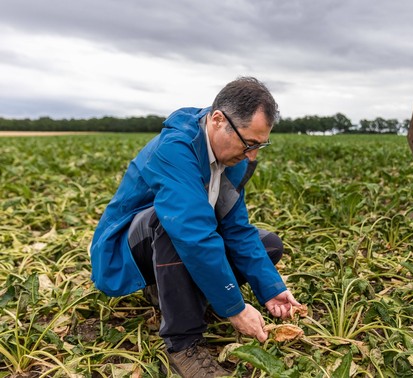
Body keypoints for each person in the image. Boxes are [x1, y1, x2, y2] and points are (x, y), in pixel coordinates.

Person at [90, 77, 301, 377]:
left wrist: (271, 289)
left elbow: (237, 229)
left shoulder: (233, 159)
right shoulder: (176, 149)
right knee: (174, 227)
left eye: (260, 145)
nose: (252, 155)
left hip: (184, 237)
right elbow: (193, 233)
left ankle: (177, 294)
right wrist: (235, 308)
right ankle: (183, 345)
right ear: (218, 120)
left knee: (268, 245)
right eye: (249, 143)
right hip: (129, 246)